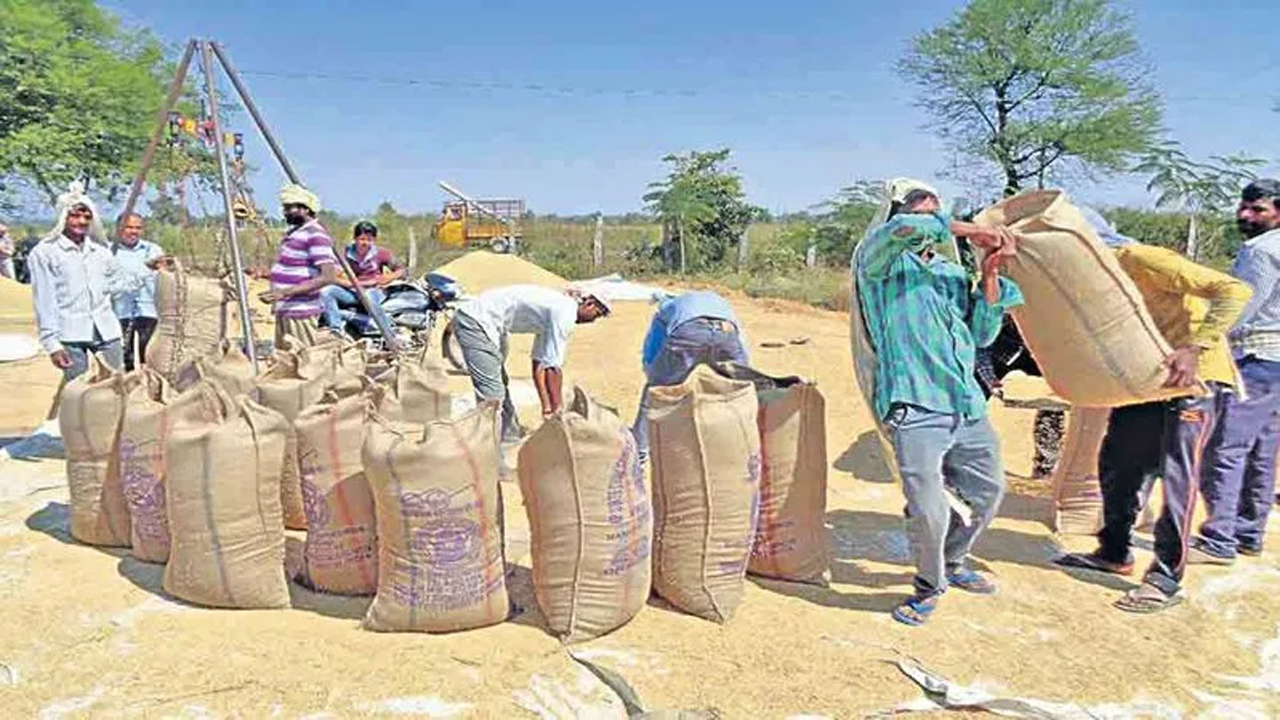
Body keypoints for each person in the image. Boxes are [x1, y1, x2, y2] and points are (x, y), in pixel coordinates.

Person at [1053, 207, 1251, 613]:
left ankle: (1164, 578)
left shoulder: (1143, 259)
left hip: (1194, 381)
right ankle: (1114, 552)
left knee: (1177, 478)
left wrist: (1195, 348)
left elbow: (1234, 290)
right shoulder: (1097, 279)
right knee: (1118, 463)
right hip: (1149, 384)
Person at [853, 178, 1023, 626]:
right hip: (913, 403)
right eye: (920, 212)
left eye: (935, 212)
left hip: (965, 404)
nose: (929, 221)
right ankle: (929, 584)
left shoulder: (950, 275)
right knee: (927, 505)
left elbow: (983, 334)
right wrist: (972, 231)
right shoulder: (879, 265)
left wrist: (988, 273)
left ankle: (954, 560)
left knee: (988, 492)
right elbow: (904, 230)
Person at [1192, 179, 1280, 564]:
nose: (1245, 215)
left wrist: (1199, 341)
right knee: (1263, 450)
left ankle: (1218, 540)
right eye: (1243, 207)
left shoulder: (1260, 251)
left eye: (1257, 209)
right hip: (1276, 362)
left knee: (1224, 449)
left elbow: (1239, 308)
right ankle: (1248, 533)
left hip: (1254, 357)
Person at [28, 182, 156, 381]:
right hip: (70, 334)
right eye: (75, 216)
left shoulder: (100, 253)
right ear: (63, 217)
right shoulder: (45, 253)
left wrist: (149, 268)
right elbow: (44, 301)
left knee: (115, 385)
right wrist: (52, 344)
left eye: (87, 217)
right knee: (79, 389)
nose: (81, 221)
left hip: (106, 331)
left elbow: (118, 285)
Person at [451, 285, 611, 443]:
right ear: (590, 304)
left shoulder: (555, 313)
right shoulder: (565, 312)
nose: (592, 321)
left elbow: (540, 364)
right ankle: (486, 454)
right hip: (475, 322)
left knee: (499, 386)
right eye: (596, 315)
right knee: (492, 397)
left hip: (491, 326)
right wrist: (558, 411)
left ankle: (509, 439)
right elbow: (553, 369)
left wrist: (547, 408)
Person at [632, 290, 748, 463]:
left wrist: (654, 375)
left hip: (689, 331)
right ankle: (746, 443)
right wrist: (743, 375)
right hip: (727, 333)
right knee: (740, 392)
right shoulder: (717, 301)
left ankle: (639, 452)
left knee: (655, 391)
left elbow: (654, 344)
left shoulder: (666, 308)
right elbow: (739, 337)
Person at [258, 184, 337, 350]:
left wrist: (283, 292)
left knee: (303, 364)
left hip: (300, 311)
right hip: (286, 310)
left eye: (289, 208)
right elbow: (296, 267)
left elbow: (328, 276)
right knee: (285, 364)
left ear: (305, 209)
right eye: (284, 208)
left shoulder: (315, 234)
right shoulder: (296, 233)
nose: (285, 212)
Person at [319, 220, 403, 338]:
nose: (365, 243)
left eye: (369, 240)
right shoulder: (345, 253)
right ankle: (335, 328)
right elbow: (333, 275)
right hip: (353, 291)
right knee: (326, 291)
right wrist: (348, 284)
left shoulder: (381, 253)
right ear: (355, 238)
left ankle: (389, 333)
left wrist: (386, 278)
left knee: (368, 297)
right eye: (362, 239)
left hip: (374, 291)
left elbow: (400, 270)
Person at [111, 214, 166, 371]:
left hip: (149, 311)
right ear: (119, 229)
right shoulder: (109, 251)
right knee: (124, 358)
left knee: (149, 358)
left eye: (138, 228)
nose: (133, 231)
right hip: (120, 312)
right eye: (129, 227)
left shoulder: (153, 250)